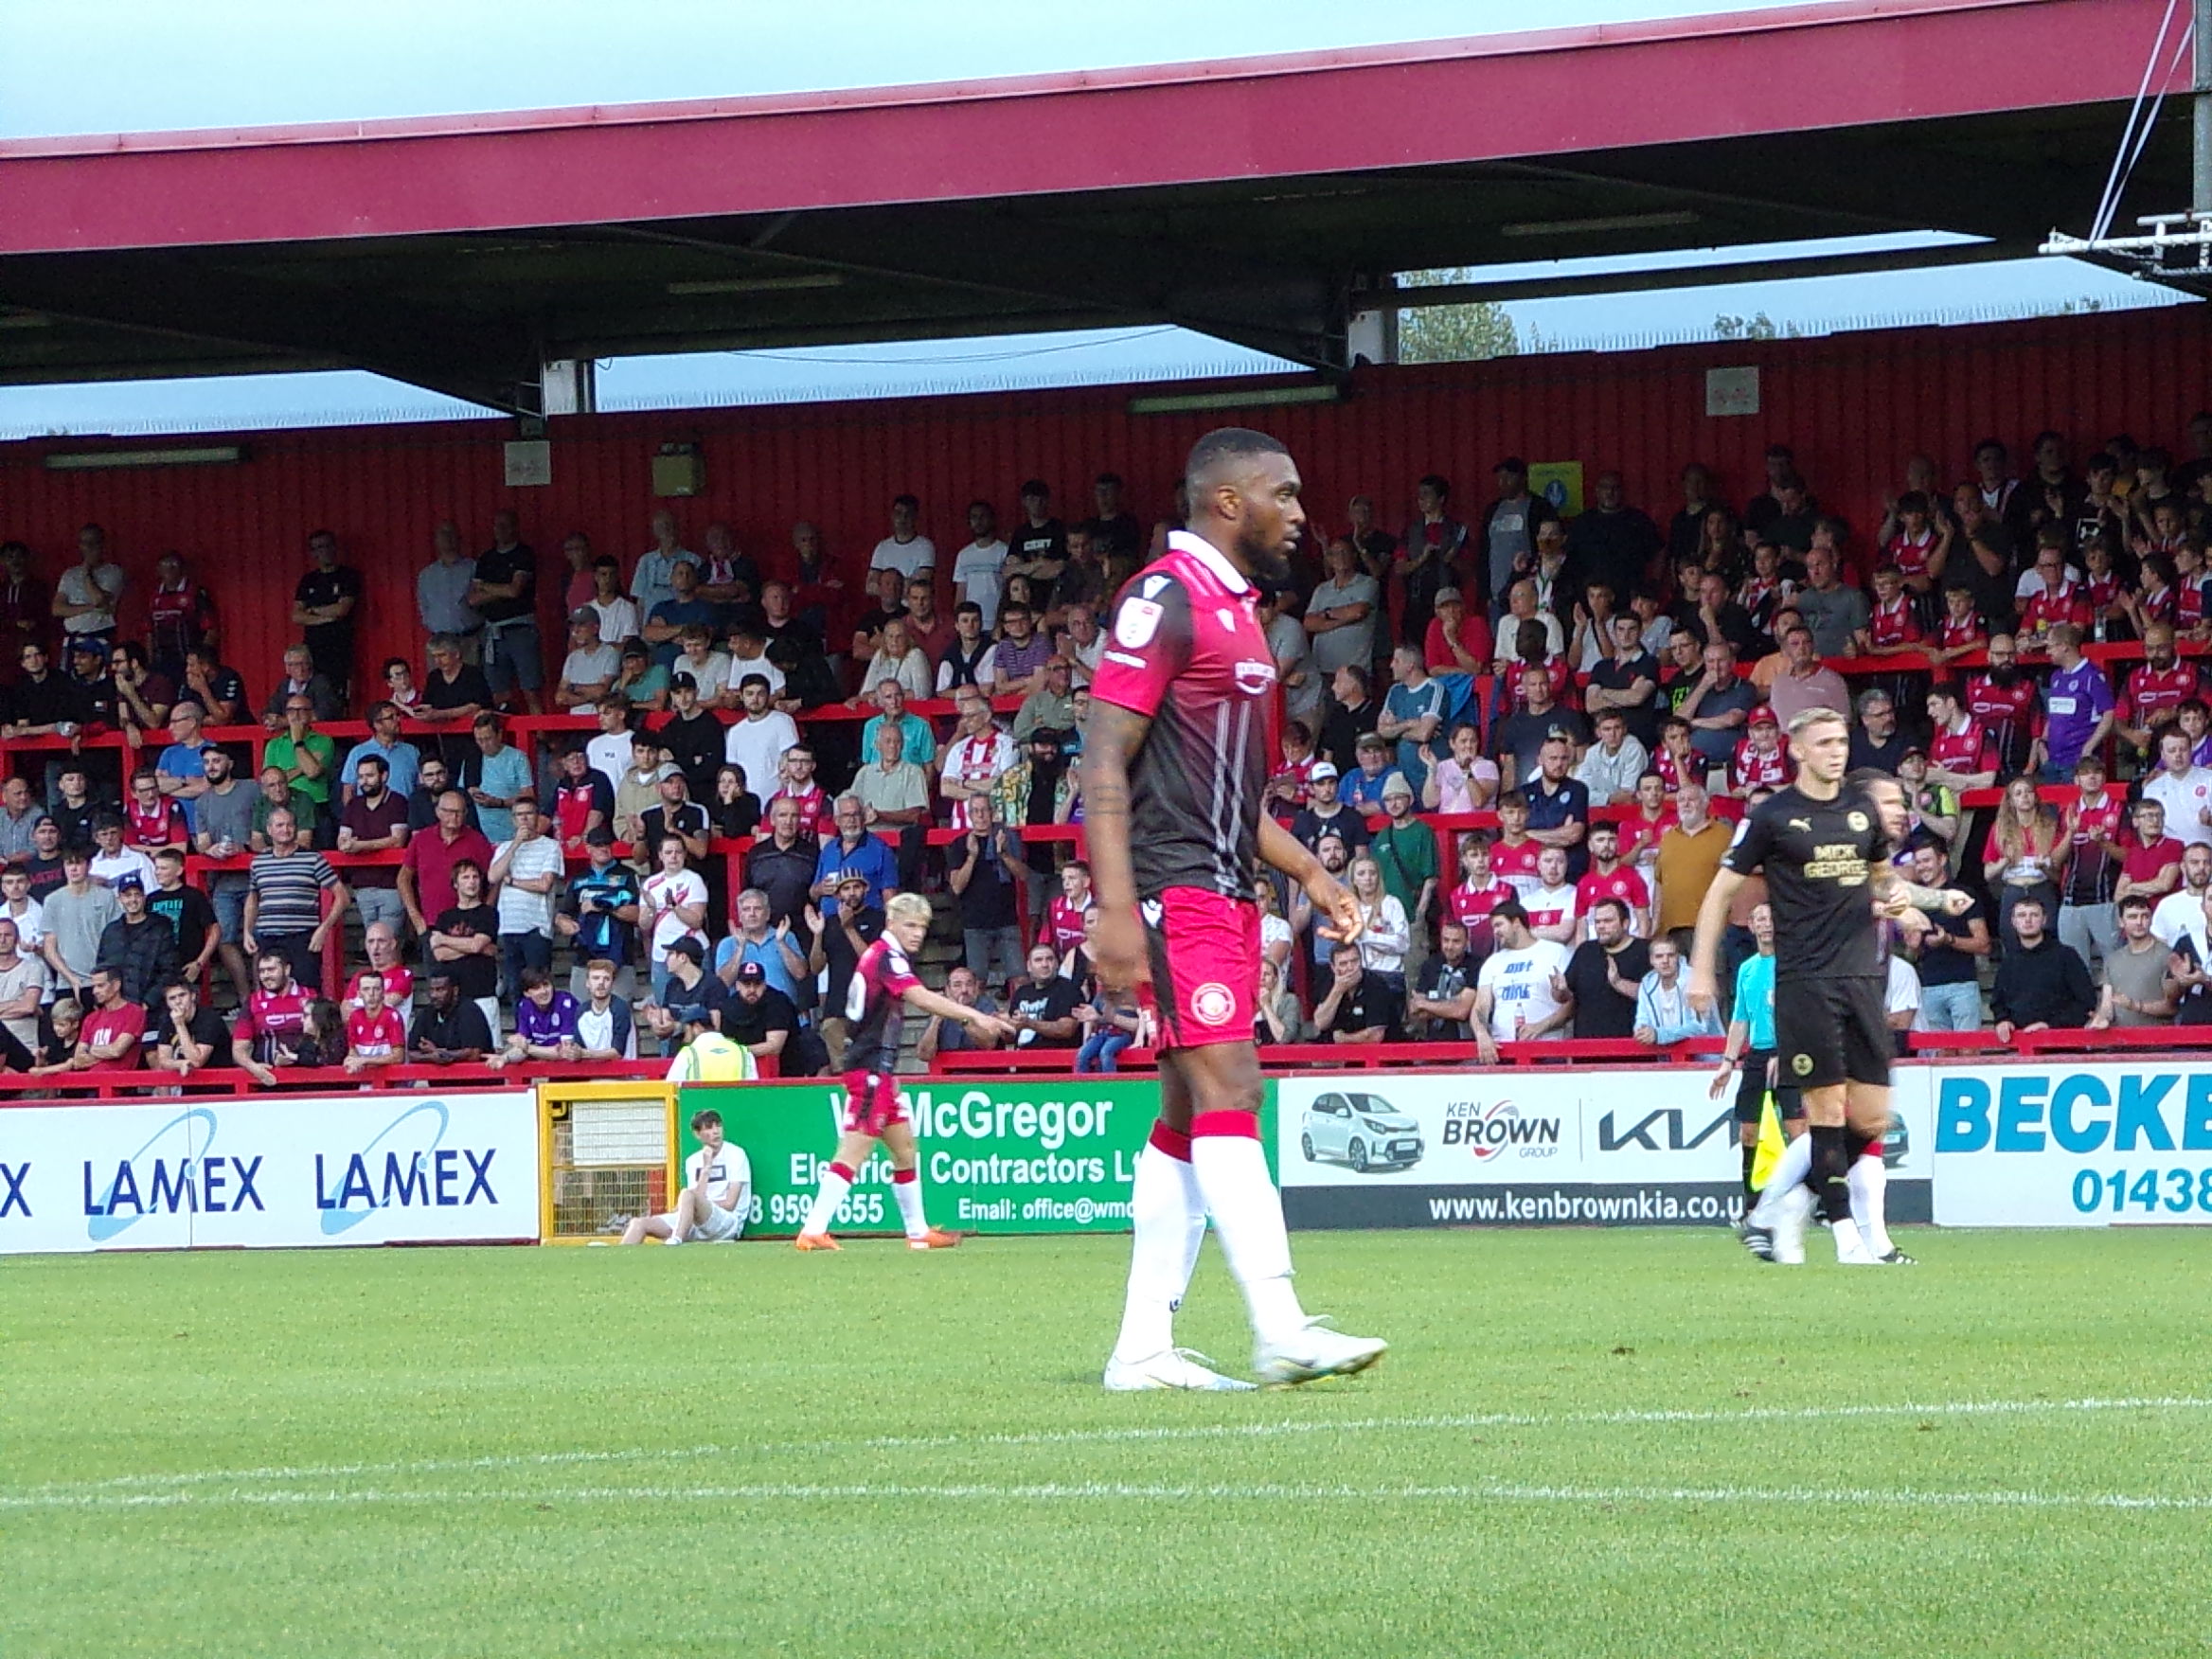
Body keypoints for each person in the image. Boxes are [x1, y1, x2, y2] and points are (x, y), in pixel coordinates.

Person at [1083, 426, 1384, 1392]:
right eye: (1283, 495)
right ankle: (1281, 1323)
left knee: (1180, 1120)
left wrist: (1310, 875)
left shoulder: (1239, 617)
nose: (1301, 515)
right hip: (1172, 892)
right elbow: (1099, 759)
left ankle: (1140, 1349)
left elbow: (1231, 794)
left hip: (1218, 888)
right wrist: (1116, 909)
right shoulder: (1162, 600)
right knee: (1233, 1091)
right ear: (1226, 502)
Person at [1689, 709, 1968, 1266]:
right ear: (1796, 750)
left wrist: (1929, 902)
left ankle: (1775, 1208)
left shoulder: (1860, 813)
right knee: (1827, 1114)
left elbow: (1882, 881)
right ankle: (1849, 1241)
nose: (1837, 751)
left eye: (1842, 741)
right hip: (1807, 980)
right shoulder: (1772, 817)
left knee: (1869, 1117)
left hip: (1864, 978)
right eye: (1824, 743)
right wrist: (1701, 971)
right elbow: (1721, 893)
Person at [794, 892, 1014, 1251]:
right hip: (867, 1069)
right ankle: (813, 1228)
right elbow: (919, 996)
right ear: (891, 923)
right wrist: (974, 1014)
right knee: (854, 1150)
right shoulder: (885, 956)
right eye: (910, 925)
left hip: (879, 1068)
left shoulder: (885, 956)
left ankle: (918, 1231)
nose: (917, 933)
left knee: (905, 1150)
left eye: (922, 927)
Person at [1708, 901, 1804, 1204]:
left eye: (1770, 918)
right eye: (1759, 919)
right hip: (1758, 1054)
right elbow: (1740, 1018)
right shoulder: (1747, 969)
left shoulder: (1793, 963)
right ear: (1750, 926)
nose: (1765, 924)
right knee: (1748, 1132)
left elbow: (1803, 1013)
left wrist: (1785, 1051)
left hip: (1791, 1052)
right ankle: (1752, 1203)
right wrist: (1727, 1062)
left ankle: (1813, 1200)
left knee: (1797, 1130)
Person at [243, 807, 347, 994]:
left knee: (307, 992)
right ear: (269, 829)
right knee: (269, 992)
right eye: (280, 825)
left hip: (302, 937)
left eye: (290, 825)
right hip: (268, 937)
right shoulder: (258, 862)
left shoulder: (313, 859)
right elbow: (253, 897)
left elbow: (342, 896)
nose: (285, 829)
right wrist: (247, 931)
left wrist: (324, 929)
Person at [620, 1107, 754, 1245]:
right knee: (638, 1223)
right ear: (697, 1134)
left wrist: (691, 1206)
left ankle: (676, 1240)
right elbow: (697, 1196)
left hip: (727, 1222)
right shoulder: (693, 1161)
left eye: (718, 1126)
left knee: (687, 1195)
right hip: (695, 1220)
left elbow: (730, 1204)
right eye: (708, 1127)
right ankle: (615, 1261)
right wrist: (706, 1168)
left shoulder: (736, 1154)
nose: (715, 1131)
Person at [1472, 900, 1573, 1059]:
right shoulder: (1492, 962)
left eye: (1499, 925)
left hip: (1547, 1050)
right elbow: (1480, 1006)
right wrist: (1481, 1034)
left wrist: (1540, 1027)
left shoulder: (1555, 952)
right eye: (1493, 927)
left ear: (1516, 923)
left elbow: (1571, 1003)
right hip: (1503, 1051)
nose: (1495, 932)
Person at [1990, 895, 2096, 1040]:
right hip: (2019, 1044)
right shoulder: (2009, 961)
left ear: (2044, 920)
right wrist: (2002, 1020)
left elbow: (2087, 1002)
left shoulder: (2066, 955)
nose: (2028, 920)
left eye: (2034, 915)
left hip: (2063, 1045)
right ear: (2013, 922)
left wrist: (2050, 1026)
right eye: (2022, 915)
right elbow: (1998, 1002)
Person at [1564, 896, 1648, 1040]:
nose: (1601, 926)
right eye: (1597, 922)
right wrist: (1558, 989)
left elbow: (1659, 996)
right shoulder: (1585, 951)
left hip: (1634, 1048)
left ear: (1626, 923)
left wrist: (1619, 983)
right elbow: (1567, 998)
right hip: (1587, 1051)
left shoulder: (1646, 950)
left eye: (1608, 921)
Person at [2092, 895, 2175, 1028]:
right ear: (2120, 922)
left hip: (2157, 1043)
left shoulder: (2167, 955)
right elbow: (2107, 1004)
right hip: (2120, 1044)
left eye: (2145, 916)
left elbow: (2171, 1007)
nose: (2139, 922)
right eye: (2132, 917)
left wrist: (2134, 1005)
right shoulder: (2113, 959)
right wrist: (2102, 1018)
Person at [145, 978, 232, 1080]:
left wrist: (180, 1025)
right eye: (172, 998)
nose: (178, 1001)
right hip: (188, 1086)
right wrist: (180, 1064)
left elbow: (196, 1061)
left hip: (218, 1085)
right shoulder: (167, 1020)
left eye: (182, 995)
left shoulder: (210, 1019)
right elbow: (163, 1059)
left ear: (193, 996)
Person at [410, 971, 495, 1065]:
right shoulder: (427, 1013)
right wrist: (431, 1056)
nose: (434, 995)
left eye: (440, 990)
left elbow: (473, 1054)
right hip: (441, 1078)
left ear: (455, 990)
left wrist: (438, 1052)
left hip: (474, 1077)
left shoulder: (469, 1010)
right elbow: (409, 1053)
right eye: (431, 990)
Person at [341, 969, 408, 1073]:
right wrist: (351, 1060)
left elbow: (398, 1057)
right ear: (359, 993)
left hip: (393, 1080)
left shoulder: (392, 1016)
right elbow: (353, 1051)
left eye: (376, 989)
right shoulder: (354, 1017)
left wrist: (364, 1061)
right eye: (366, 989)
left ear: (383, 992)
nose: (371, 994)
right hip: (365, 1078)